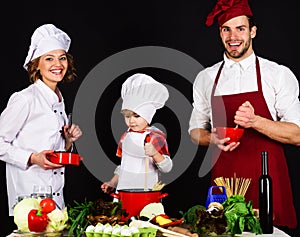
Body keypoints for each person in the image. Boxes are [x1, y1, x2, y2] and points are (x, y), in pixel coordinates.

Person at [188, 0, 300, 232]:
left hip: (266, 182)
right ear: (220, 33)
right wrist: (213, 139)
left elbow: (297, 135)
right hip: (224, 184)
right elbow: (195, 132)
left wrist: (255, 121)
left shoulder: (277, 74)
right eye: (226, 29)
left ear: (253, 31)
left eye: (240, 28)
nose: (233, 36)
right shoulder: (206, 78)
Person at [0, 23, 82, 227]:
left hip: (56, 198)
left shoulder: (59, 99)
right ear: (36, 64)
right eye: (49, 58)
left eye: (62, 57)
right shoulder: (25, 99)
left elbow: (52, 148)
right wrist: (32, 158)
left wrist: (68, 142)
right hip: (30, 199)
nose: (58, 64)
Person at [101, 73, 173, 193]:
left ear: (148, 115)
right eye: (127, 116)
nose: (131, 121)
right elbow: (124, 166)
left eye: (137, 116)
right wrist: (112, 182)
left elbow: (167, 167)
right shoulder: (126, 136)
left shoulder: (155, 137)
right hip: (124, 192)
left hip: (147, 193)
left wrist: (155, 153)